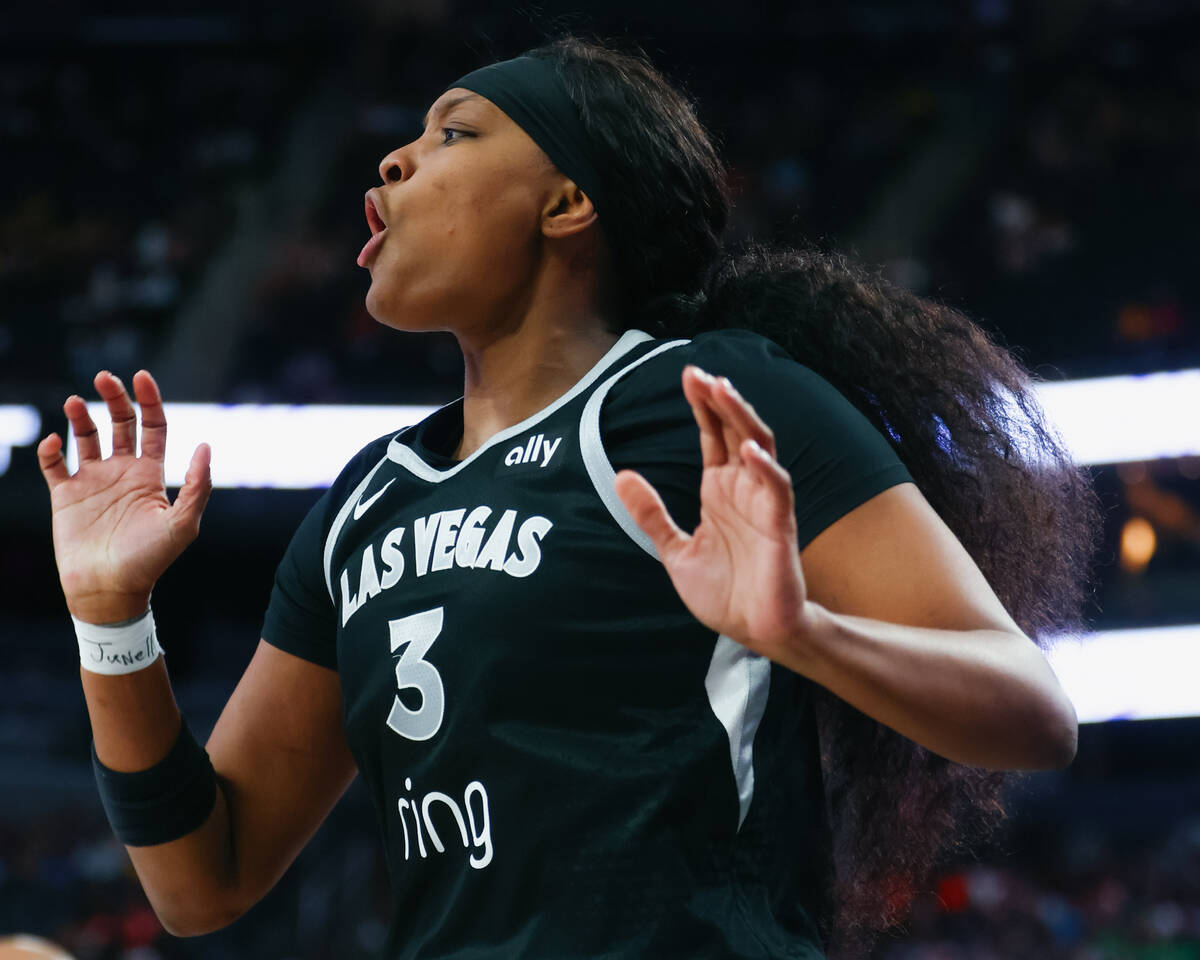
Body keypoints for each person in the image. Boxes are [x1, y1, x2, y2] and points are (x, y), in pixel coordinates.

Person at [38, 37, 1098, 959]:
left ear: (567, 201)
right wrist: (111, 622)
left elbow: (1032, 711)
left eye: (455, 134)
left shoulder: (710, 398)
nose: (395, 157)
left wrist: (805, 634)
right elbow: (200, 881)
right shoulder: (366, 503)